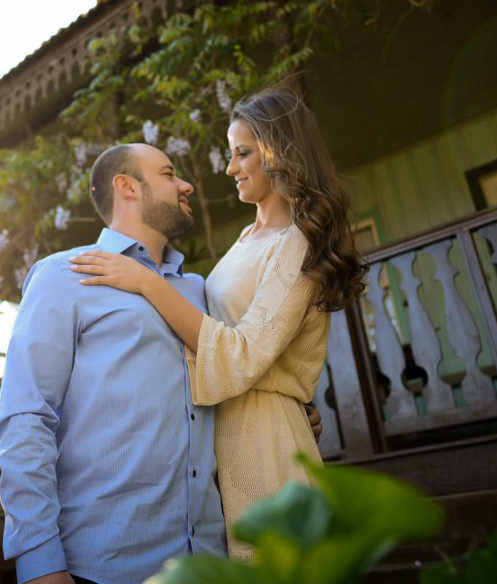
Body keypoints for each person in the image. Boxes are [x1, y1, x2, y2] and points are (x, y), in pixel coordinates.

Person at [69, 89, 365, 560]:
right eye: (231, 154)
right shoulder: (248, 238)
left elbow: (244, 353)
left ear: (282, 152)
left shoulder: (298, 243)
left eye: (242, 153)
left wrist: (147, 283)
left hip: (265, 444)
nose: (229, 168)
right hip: (220, 442)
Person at [0, 143, 227, 584]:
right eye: (169, 173)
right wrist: (39, 560)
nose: (187, 184)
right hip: (101, 566)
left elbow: (228, 377)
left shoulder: (200, 292)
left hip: (209, 563)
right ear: (127, 187)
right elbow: (27, 418)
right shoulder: (63, 274)